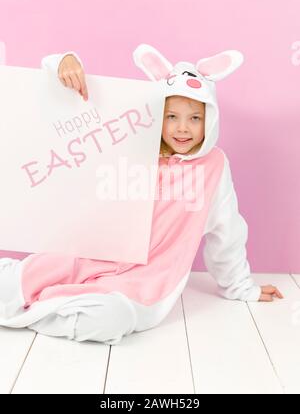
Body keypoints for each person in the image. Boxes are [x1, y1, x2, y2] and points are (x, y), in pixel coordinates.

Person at [0, 44, 283, 345]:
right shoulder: (133, 143)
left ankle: (33, 310)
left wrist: (240, 286)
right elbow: (75, 117)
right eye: (171, 116)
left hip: (146, 280)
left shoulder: (214, 167)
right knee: (14, 282)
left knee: (109, 320)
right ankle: (26, 298)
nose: (182, 128)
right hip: (88, 253)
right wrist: (63, 62)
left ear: (210, 118)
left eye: (195, 118)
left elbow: (228, 232)